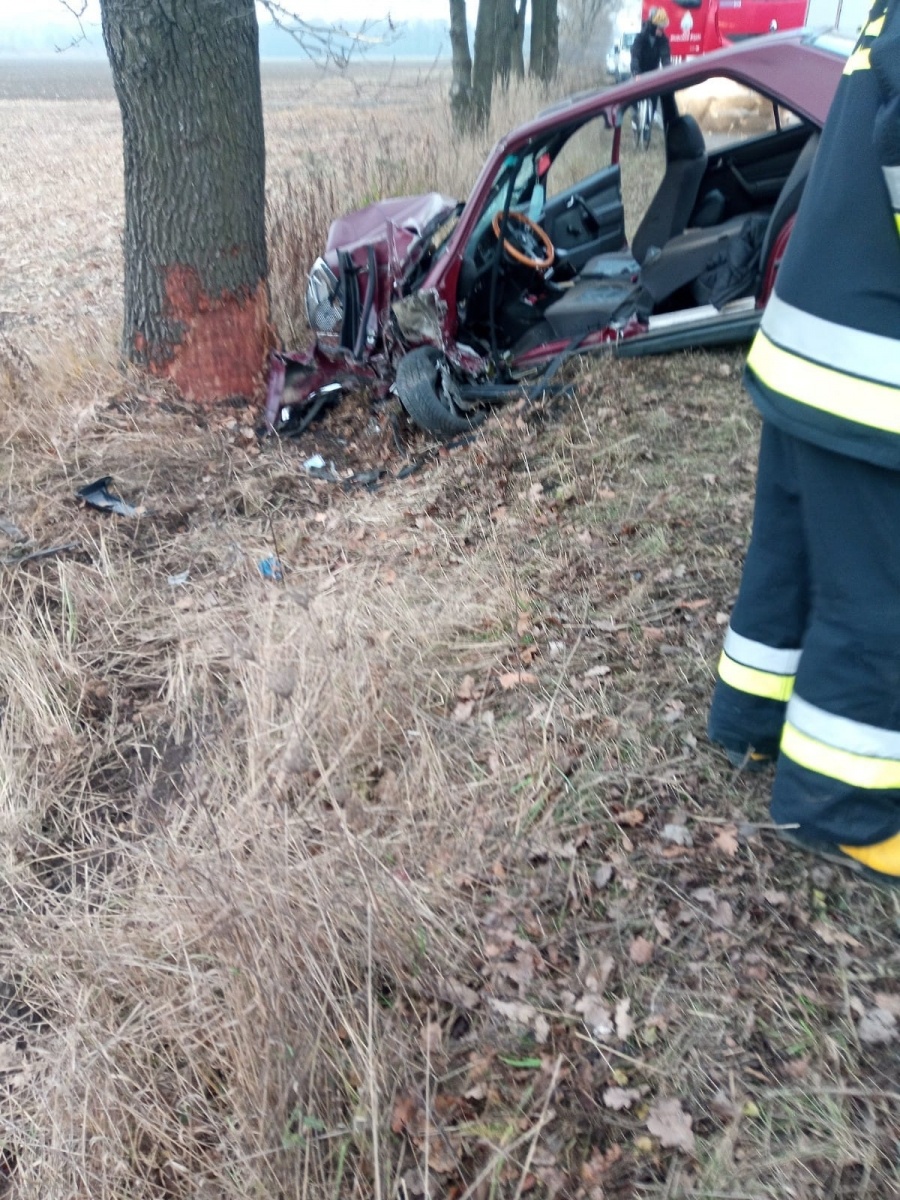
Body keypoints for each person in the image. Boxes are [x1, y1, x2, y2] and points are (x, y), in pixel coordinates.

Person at [708, 0, 900, 888]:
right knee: (878, 600)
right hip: (870, 375)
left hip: (806, 347)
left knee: (783, 563)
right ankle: (843, 808)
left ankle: (748, 723)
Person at [630, 7, 672, 141]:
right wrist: (636, 72)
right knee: (634, 94)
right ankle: (635, 115)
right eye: (660, 27)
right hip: (639, 70)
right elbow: (635, 55)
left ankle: (647, 125)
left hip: (652, 72)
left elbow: (666, 58)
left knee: (654, 96)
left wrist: (668, 71)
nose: (662, 30)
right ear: (653, 26)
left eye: (663, 27)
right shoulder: (640, 38)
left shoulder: (663, 40)